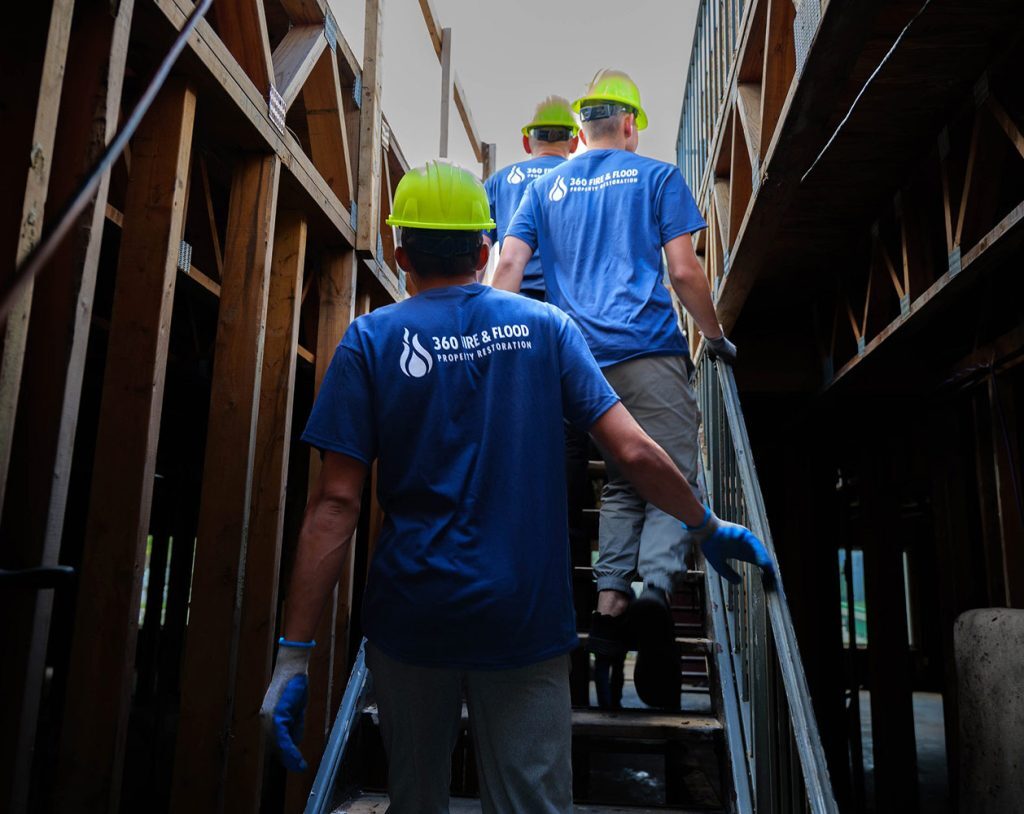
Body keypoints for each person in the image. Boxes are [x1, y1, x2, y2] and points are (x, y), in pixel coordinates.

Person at [260, 162, 771, 814]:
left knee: (415, 799)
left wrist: (293, 657)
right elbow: (635, 450)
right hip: (523, 620)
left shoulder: (369, 340)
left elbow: (336, 505)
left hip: (413, 618)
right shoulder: (547, 329)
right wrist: (703, 525)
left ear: (399, 252)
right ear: (482, 250)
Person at [492, 69, 739, 710]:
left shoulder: (545, 186)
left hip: (577, 364)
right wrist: (713, 338)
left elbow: (510, 265)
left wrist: (494, 348)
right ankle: (654, 594)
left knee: (626, 481)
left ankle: (606, 610)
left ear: (580, 128)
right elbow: (684, 272)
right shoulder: (657, 176)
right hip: (648, 350)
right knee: (672, 472)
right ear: (629, 124)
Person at [482, 96, 579, 298]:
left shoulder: (499, 181)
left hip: (516, 299)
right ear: (574, 142)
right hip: (570, 305)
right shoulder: (583, 180)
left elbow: (477, 255)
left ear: (526, 142)